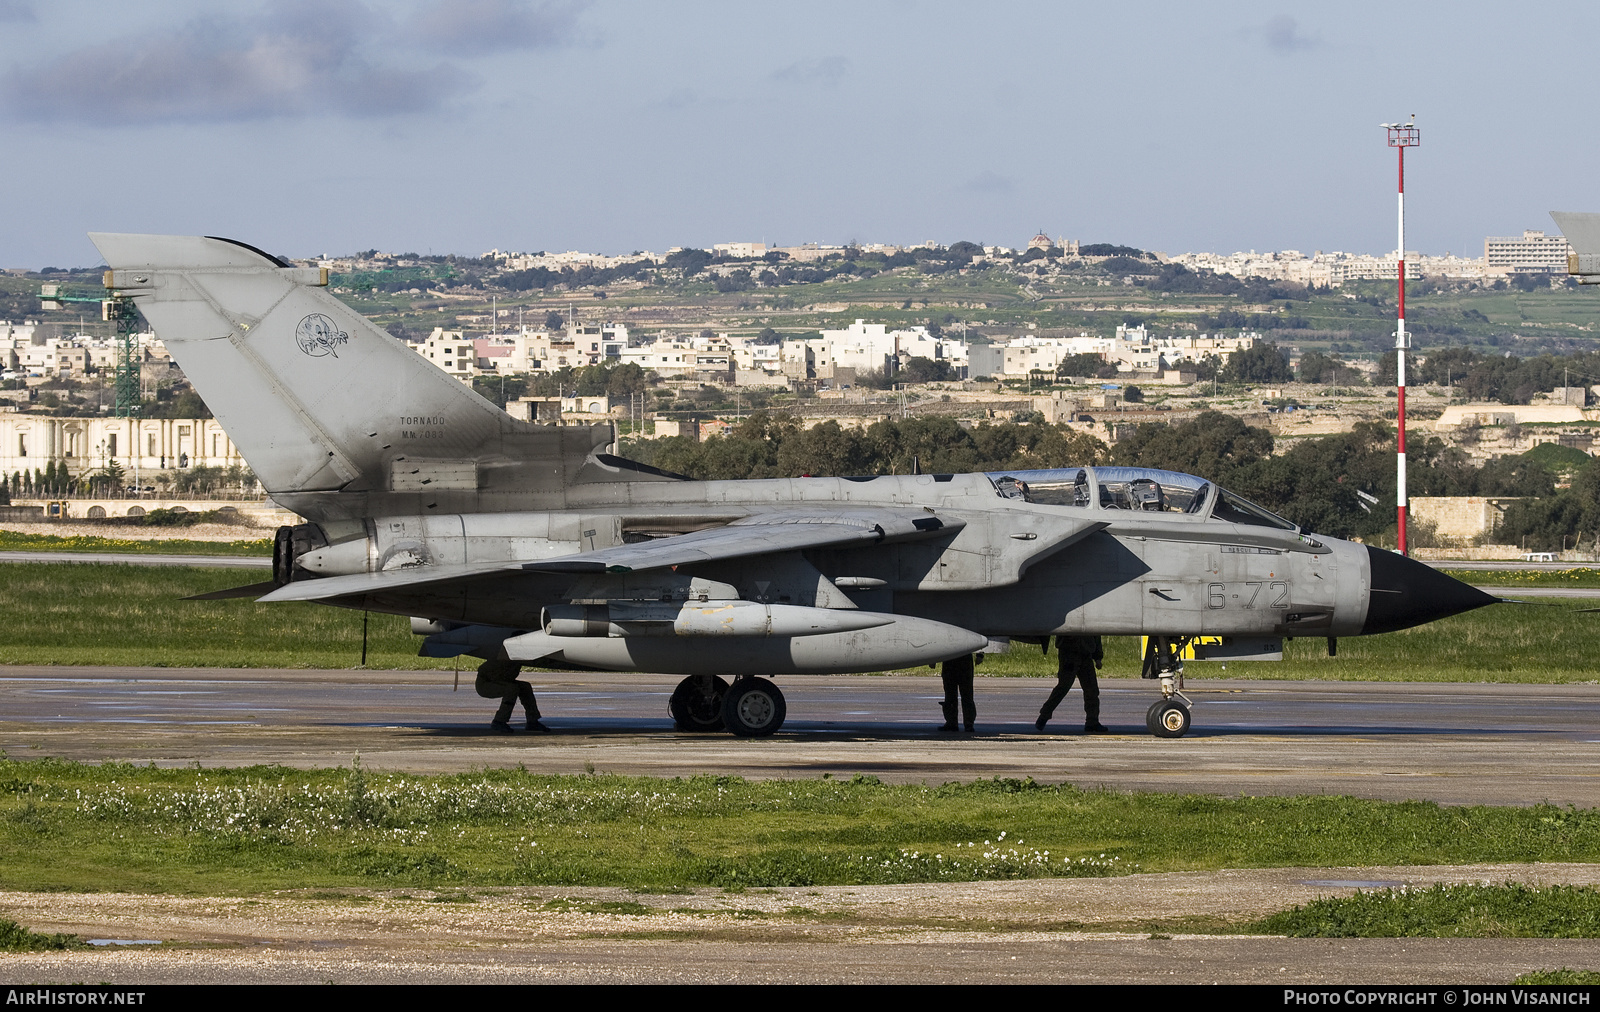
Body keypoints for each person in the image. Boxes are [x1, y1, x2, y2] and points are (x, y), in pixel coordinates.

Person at [1037, 635, 1109, 734]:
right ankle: (1044, 715)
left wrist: (1097, 657)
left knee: (1092, 689)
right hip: (1069, 653)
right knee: (1063, 686)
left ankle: (1092, 721)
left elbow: (1095, 633)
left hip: (1085, 653)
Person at [474, 656, 549, 734]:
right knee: (511, 689)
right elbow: (487, 672)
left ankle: (532, 721)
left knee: (525, 687)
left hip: (501, 681)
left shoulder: (516, 657)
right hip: (485, 684)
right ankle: (499, 721)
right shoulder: (506, 657)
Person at [938, 653, 976, 733]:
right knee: (951, 694)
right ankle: (953, 723)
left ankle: (967, 723)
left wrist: (980, 655)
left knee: (965, 694)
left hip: (960, 660)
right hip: (951, 660)